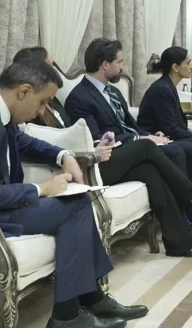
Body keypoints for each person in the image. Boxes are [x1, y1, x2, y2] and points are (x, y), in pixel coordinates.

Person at [14, 47, 192, 250]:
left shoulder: (53, 102)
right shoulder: (29, 109)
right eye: (50, 66)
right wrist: (89, 151)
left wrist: (96, 146)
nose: (55, 70)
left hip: (91, 155)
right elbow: (43, 143)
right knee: (146, 146)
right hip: (82, 166)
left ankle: (178, 242)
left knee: (149, 170)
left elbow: (71, 136)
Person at [0, 60, 148, 328]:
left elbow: (25, 143)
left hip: (10, 205)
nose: (41, 111)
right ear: (24, 91)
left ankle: (91, 300)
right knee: (75, 206)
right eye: (43, 102)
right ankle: (69, 315)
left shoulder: (6, 118)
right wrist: (40, 188)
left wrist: (64, 155)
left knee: (78, 200)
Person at [137, 47, 192, 189]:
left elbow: (174, 124)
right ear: (175, 67)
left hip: (170, 135)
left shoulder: (168, 86)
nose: (191, 67)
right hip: (159, 138)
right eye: (188, 63)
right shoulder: (162, 89)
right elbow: (170, 129)